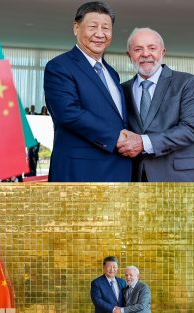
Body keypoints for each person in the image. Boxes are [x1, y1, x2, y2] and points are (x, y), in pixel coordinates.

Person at [44, 1, 131, 182]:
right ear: (76, 28)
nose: (100, 34)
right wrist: (116, 137)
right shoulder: (59, 67)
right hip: (80, 172)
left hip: (117, 169)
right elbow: (68, 113)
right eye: (93, 27)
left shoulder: (112, 73)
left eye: (106, 28)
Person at [117, 28, 194, 182]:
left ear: (162, 52)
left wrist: (143, 142)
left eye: (152, 48)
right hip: (139, 179)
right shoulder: (122, 90)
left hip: (183, 178)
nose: (145, 54)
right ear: (129, 55)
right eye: (138, 49)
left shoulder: (187, 82)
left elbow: (191, 130)